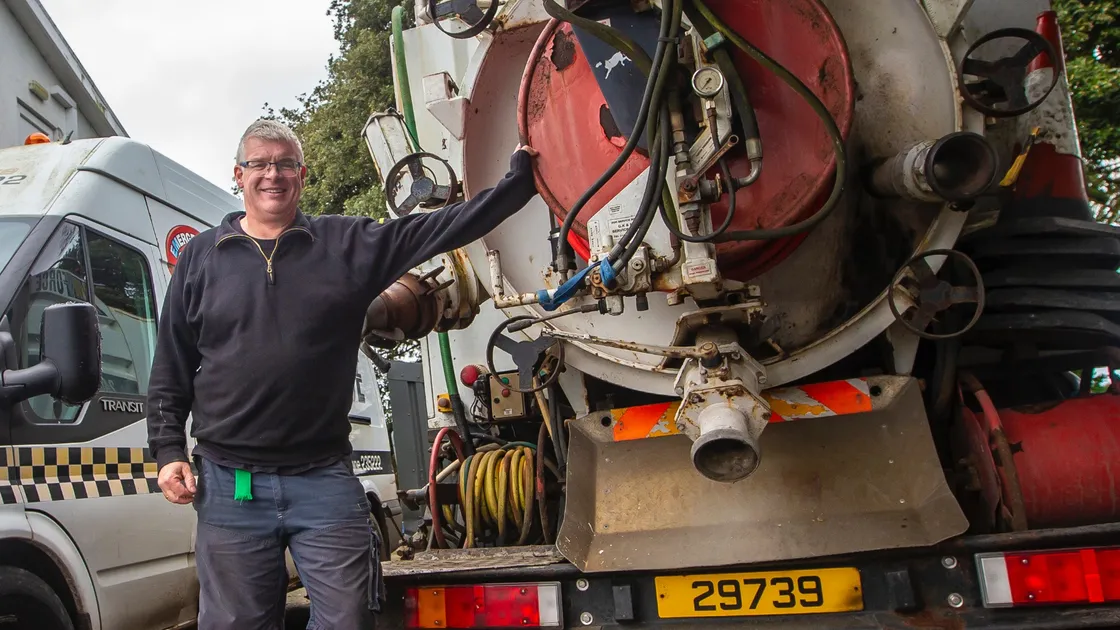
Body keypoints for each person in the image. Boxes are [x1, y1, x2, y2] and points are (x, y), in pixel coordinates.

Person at [146, 119, 539, 630]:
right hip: (230, 483)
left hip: (322, 478)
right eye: (260, 164)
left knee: (349, 618)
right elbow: (171, 363)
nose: (273, 175)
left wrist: (519, 184)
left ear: (302, 175)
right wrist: (169, 451)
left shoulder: (343, 245)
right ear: (238, 176)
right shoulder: (201, 258)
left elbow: (437, 229)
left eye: (285, 164)